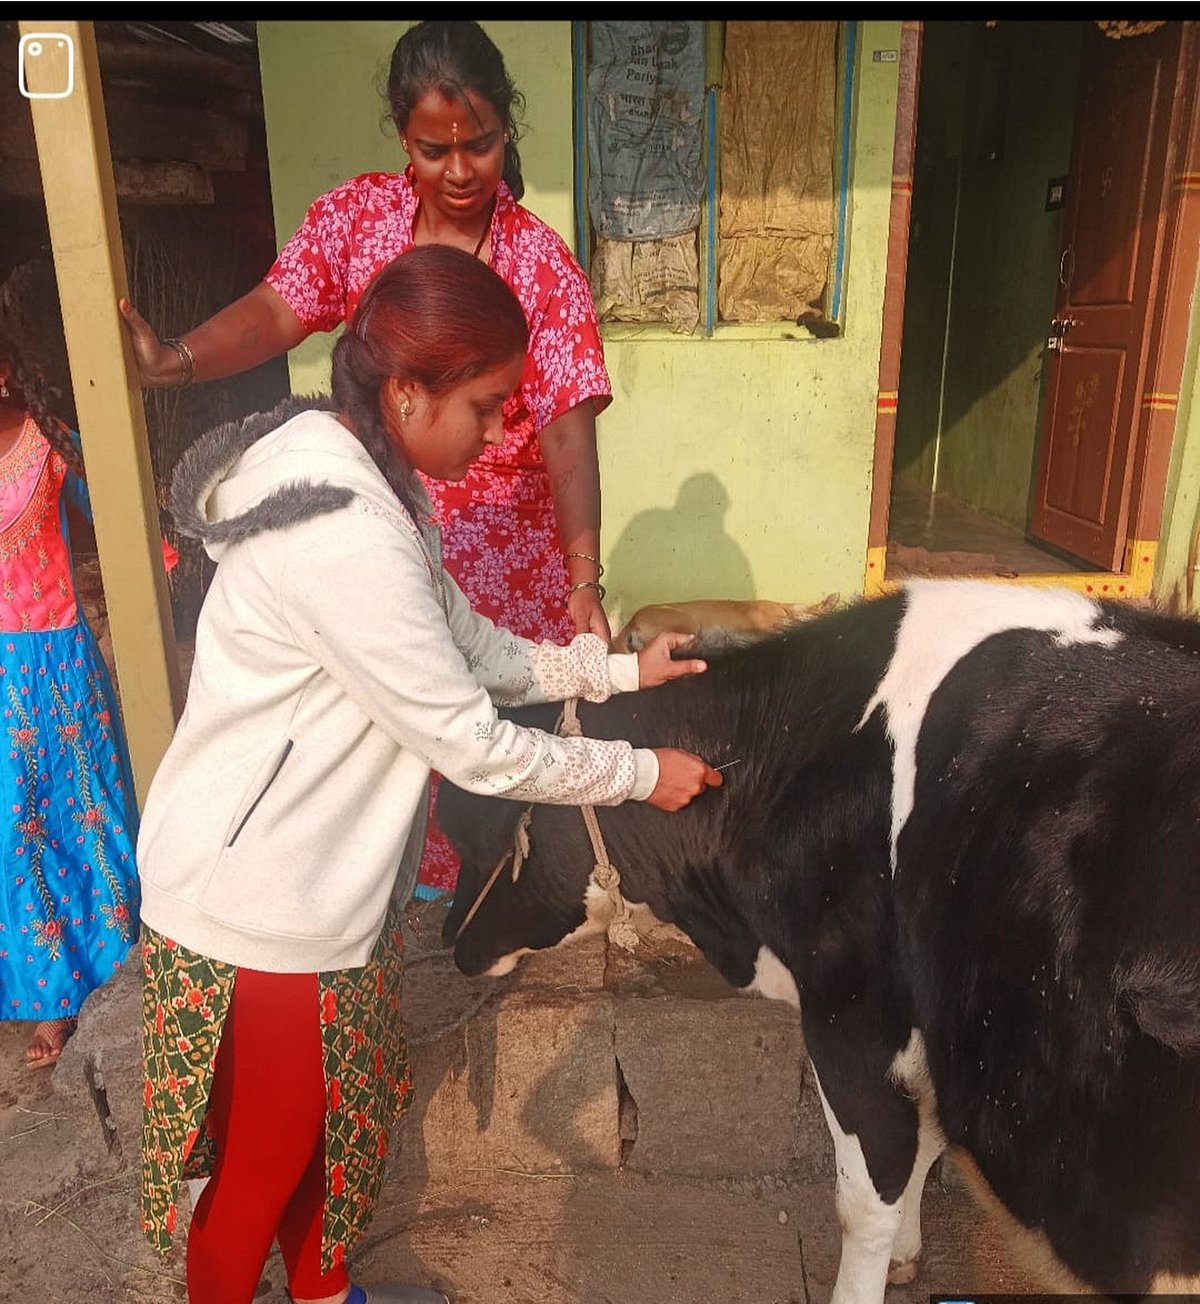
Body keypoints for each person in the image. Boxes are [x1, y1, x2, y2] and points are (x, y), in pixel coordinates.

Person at [135, 245, 722, 1304]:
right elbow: (472, 736)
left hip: (310, 883)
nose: (504, 434)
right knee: (257, 1176)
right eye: (489, 407)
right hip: (259, 906)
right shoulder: (344, 533)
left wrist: (620, 666)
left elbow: (482, 650)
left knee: (319, 1136)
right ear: (407, 392)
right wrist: (639, 772)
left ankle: (325, 1294)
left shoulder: (375, 484)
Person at [119, 20, 613, 899]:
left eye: (482, 145)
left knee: (483, 759)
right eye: (435, 149)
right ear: (402, 137)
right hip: (381, 543)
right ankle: (380, 913)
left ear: (509, 130)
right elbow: (277, 310)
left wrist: (584, 584)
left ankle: (478, 921)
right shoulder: (357, 220)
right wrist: (178, 360)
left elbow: (569, 434)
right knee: (381, 750)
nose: (459, 171)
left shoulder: (543, 268)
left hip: (506, 562)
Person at [0, 281, 140, 1071]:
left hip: (54, 665)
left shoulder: (46, 442)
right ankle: (46, 996)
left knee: (83, 818)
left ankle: (113, 970)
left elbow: (114, 516)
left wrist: (163, 555)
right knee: (10, 835)